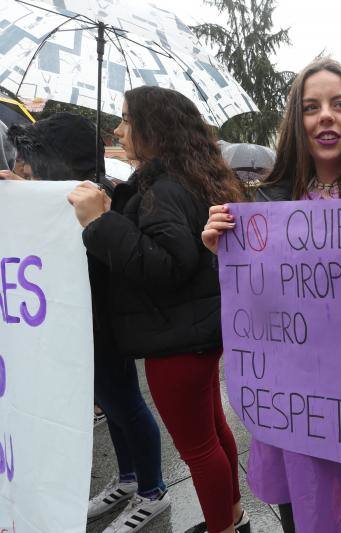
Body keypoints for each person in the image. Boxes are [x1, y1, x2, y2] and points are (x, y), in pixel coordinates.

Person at [202, 58, 341, 533]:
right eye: (312, 107)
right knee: (306, 510)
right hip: (298, 401)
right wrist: (226, 256)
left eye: (339, 104)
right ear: (297, 121)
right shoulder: (266, 202)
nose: (326, 117)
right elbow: (257, 308)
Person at [66, 88, 248, 533]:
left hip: (176, 341)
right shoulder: (187, 177)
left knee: (198, 449)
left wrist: (100, 224)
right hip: (198, 333)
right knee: (213, 433)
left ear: (155, 127)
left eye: (127, 119)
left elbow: (167, 264)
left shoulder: (162, 188)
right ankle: (234, 516)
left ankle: (222, 527)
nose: (118, 129)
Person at [3, 112, 171, 532]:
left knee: (126, 404)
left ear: (54, 159)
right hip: (74, 326)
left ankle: (153, 490)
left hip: (105, 324)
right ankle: (128, 477)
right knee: (110, 405)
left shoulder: (99, 196)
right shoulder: (65, 191)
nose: (21, 167)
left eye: (28, 159)